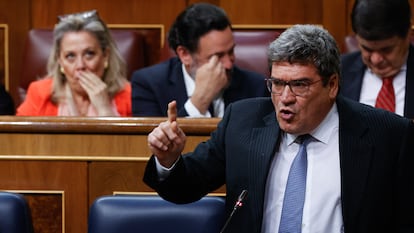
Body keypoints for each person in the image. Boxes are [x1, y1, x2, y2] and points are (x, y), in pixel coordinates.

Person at [144, 24, 414, 233]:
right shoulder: (243, 120)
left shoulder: (387, 135)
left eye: (299, 85)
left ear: (332, 85)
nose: (285, 97)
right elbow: (185, 188)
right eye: (276, 83)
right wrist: (167, 161)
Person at [131, 3, 268, 117]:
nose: (228, 63)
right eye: (218, 56)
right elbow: (152, 148)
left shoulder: (256, 88)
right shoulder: (149, 85)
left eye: (231, 51)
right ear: (185, 55)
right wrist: (199, 102)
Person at [16, 10, 131, 116]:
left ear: (105, 55)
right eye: (70, 56)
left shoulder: (129, 96)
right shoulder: (39, 93)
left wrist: (104, 108)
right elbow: (18, 137)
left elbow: (134, 138)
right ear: (60, 61)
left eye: (89, 54)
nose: (80, 65)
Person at [340, 0, 414, 118]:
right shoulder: (337, 71)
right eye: (367, 49)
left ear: (408, 34)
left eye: (386, 50)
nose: (376, 60)